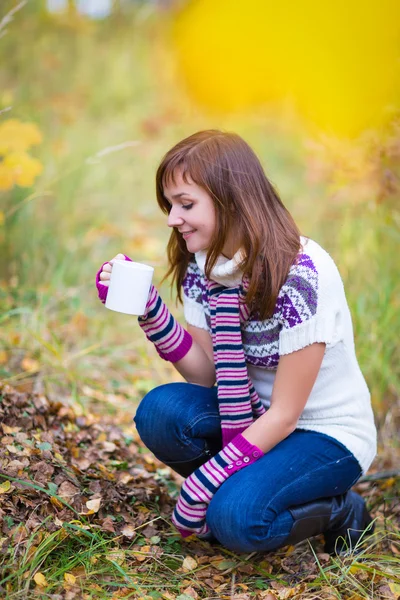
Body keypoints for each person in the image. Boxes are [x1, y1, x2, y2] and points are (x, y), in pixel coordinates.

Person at [96, 130, 377, 554]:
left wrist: (205, 483)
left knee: (237, 519)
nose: (173, 218)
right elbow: (207, 373)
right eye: (171, 205)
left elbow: (285, 415)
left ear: (232, 200)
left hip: (323, 432)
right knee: (161, 413)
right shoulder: (204, 265)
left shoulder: (302, 275)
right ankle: (252, 483)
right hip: (248, 413)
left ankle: (340, 509)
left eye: (186, 204)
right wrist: (149, 310)